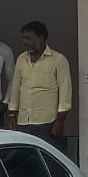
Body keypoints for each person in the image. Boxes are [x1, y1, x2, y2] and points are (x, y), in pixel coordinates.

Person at [7, 21, 72, 153]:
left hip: (48, 121)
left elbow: (65, 91)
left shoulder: (58, 59)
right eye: (23, 38)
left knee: (48, 158)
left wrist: (60, 121)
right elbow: (15, 87)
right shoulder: (21, 58)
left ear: (41, 38)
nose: (24, 42)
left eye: (29, 38)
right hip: (24, 120)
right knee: (26, 159)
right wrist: (12, 114)